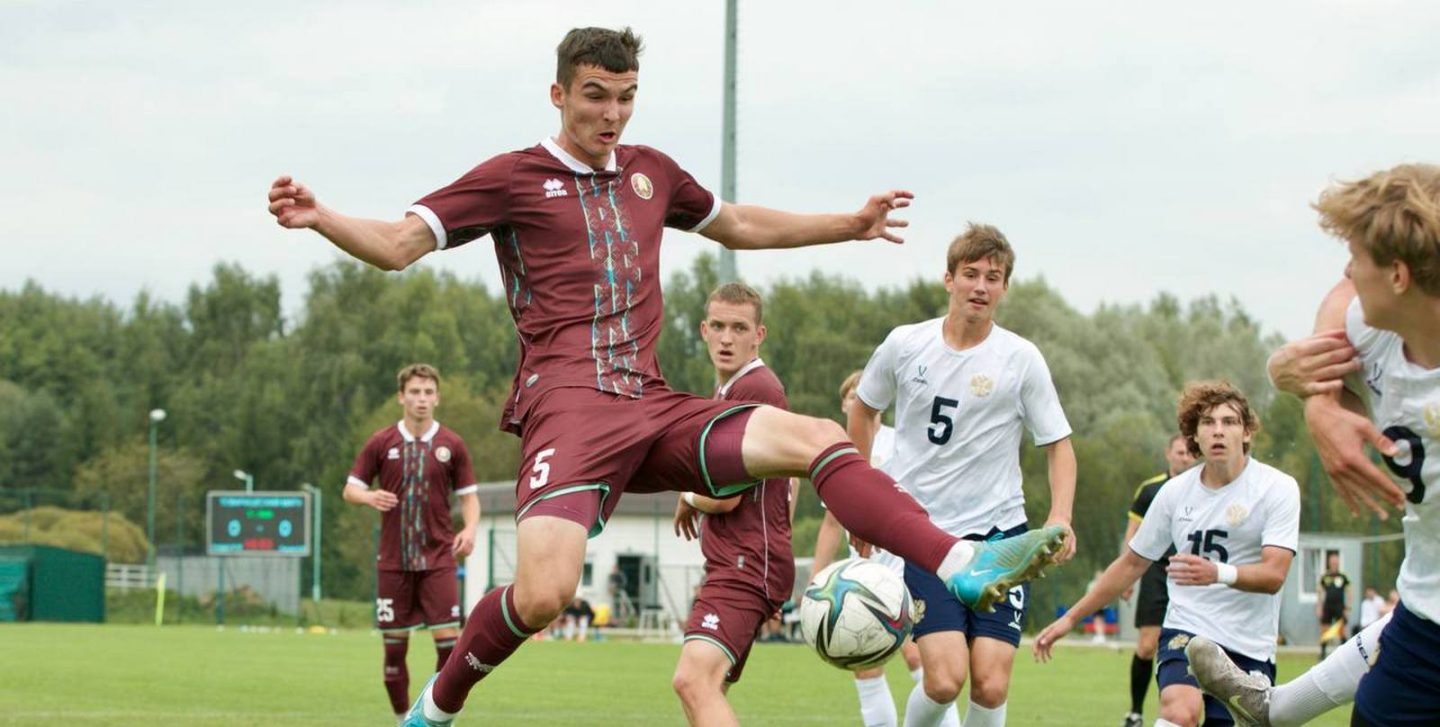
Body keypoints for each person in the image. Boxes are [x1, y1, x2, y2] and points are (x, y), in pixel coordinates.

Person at [268, 27, 1068, 727]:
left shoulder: (651, 171)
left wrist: (849, 227)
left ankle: (963, 562)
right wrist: (324, 216)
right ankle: (434, 709)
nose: (611, 115)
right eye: (594, 97)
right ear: (558, 93)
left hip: (652, 404)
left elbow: (739, 222)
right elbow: (402, 243)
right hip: (569, 410)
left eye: (625, 98)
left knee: (821, 435)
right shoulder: (513, 177)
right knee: (544, 593)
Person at [1186, 163, 1440, 726]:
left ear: (1399, 275)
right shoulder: (1377, 329)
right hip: (1425, 618)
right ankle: (1274, 709)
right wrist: (1318, 400)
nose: (1348, 270)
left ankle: (1273, 709)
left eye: (1359, 256)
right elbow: (1338, 300)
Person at [849, 223, 1079, 727]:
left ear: (1004, 288)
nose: (980, 286)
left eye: (992, 277)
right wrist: (860, 501)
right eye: (970, 274)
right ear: (948, 279)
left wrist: (1060, 515)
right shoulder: (905, 345)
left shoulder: (1020, 359)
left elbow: (1059, 445)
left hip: (1000, 538)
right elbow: (864, 411)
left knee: (992, 685)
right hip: (924, 536)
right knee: (944, 680)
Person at [1034, 381, 1300, 727]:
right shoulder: (1174, 494)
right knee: (1179, 712)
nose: (1218, 431)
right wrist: (1071, 618)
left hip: (1248, 643)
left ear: (1247, 432)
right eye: (1208, 423)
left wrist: (1217, 573)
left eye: (1229, 422)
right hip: (1187, 626)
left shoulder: (1277, 488)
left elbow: (1274, 575)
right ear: (1194, 435)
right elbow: (1132, 563)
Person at [668, 282, 801, 727]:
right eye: (719, 326)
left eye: (739, 328)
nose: (727, 338)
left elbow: (726, 495)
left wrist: (688, 495)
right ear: (704, 330)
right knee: (707, 690)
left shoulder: (754, 389)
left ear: (758, 334)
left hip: (744, 564)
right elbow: (791, 476)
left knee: (692, 681)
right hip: (751, 562)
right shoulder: (731, 391)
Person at [812, 371, 955, 727]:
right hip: (860, 569)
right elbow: (832, 521)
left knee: (918, 657)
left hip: (905, 565)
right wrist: (817, 575)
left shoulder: (899, 443)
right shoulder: (838, 452)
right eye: (850, 394)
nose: (857, 399)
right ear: (844, 403)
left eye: (864, 393)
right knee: (864, 661)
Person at [343, 363, 480, 721]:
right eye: (415, 392)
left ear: (437, 397)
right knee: (393, 651)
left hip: (439, 560)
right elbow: (350, 489)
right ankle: (404, 719)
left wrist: (470, 528)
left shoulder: (452, 444)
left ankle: (436, 716)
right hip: (393, 562)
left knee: (450, 649)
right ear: (401, 396)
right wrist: (369, 497)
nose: (422, 399)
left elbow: (469, 497)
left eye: (428, 392)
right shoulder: (381, 442)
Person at [1120, 434, 1197, 727]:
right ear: (1168, 454)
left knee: (1193, 646)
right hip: (1155, 571)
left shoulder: (1204, 488)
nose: (1185, 457)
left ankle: (1181, 709)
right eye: (1180, 452)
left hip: (1191, 572)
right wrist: (1128, 577)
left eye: (1190, 452)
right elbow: (1133, 532)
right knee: (1147, 645)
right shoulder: (1151, 489)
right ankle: (1136, 712)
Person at [1316, 552, 1350, 659]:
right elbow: (1320, 592)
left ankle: (1345, 653)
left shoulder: (1343, 577)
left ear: (1338, 562)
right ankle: (1322, 653)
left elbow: (1349, 592)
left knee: (1341, 630)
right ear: (1329, 562)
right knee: (1325, 630)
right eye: (1332, 561)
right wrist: (1319, 607)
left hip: (1340, 606)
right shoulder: (1325, 576)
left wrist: (1347, 607)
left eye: (1336, 561)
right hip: (1328, 606)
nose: (1334, 563)